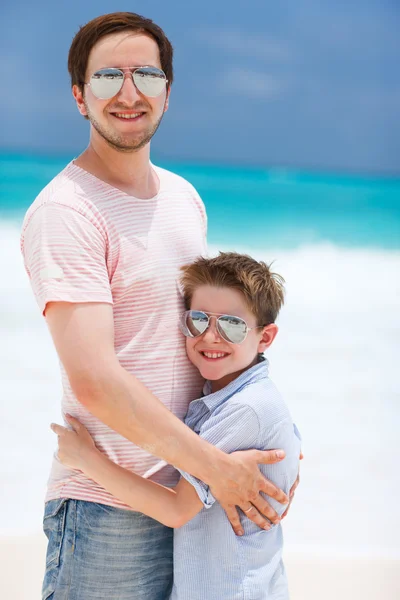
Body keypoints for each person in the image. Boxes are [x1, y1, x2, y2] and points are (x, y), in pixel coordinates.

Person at [20, 12, 298, 600]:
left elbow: (215, 346)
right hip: (110, 509)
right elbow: (95, 381)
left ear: (167, 93)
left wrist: (274, 456)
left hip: (191, 503)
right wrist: (218, 469)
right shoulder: (66, 212)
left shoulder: (184, 198)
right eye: (107, 77)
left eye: (146, 74)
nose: (128, 92)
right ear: (79, 96)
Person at [53, 252, 301, 600]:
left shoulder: (245, 408)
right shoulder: (239, 396)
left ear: (265, 338)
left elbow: (175, 510)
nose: (210, 337)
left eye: (231, 325)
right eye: (198, 320)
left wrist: (86, 460)